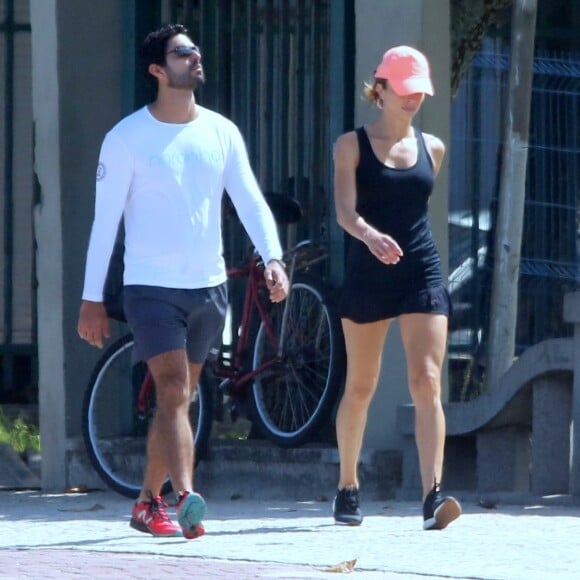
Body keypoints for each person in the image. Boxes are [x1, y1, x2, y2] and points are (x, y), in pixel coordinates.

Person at [77, 24, 289, 539]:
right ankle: (186, 495)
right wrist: (91, 299)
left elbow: (249, 199)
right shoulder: (126, 138)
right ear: (157, 69)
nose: (196, 57)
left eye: (196, 49)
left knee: (183, 398)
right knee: (172, 388)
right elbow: (105, 222)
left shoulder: (221, 131)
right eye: (182, 52)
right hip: (150, 288)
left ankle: (147, 503)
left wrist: (274, 259)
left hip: (209, 287)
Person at [332, 45, 461, 530]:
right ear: (380, 88)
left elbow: (415, 212)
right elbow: (345, 211)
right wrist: (368, 235)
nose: (413, 100)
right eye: (404, 91)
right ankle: (347, 485)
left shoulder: (434, 147)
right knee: (361, 385)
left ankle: (433, 495)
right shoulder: (351, 145)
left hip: (420, 270)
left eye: (420, 92)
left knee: (426, 379)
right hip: (368, 271)